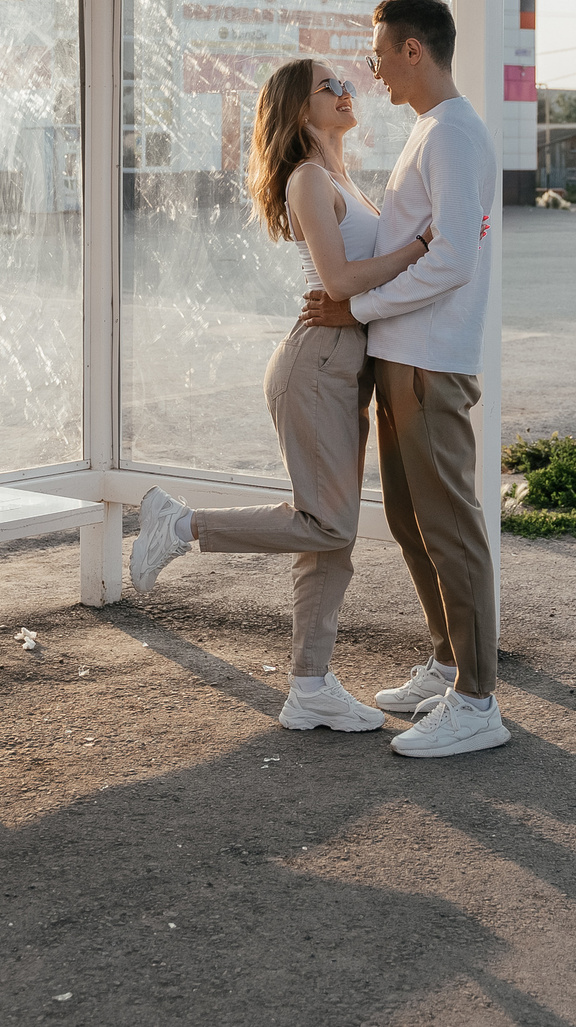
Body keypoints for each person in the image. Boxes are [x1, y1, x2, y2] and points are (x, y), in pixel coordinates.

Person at [126, 58, 430, 732]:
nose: (348, 91)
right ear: (298, 110)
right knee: (326, 522)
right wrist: (420, 248)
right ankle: (181, 524)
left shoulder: (340, 175)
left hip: (341, 365)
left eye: (346, 82)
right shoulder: (307, 178)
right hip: (316, 364)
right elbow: (341, 278)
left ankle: (310, 685)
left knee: (331, 538)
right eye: (330, 87)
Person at [300, 0, 506, 758]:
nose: (374, 67)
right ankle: (449, 660)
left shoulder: (454, 134)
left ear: (413, 50)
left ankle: (478, 700)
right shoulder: (433, 130)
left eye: (381, 51)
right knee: (410, 522)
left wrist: (359, 309)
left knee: (449, 524)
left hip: (430, 359)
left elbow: (452, 255)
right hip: (404, 353)